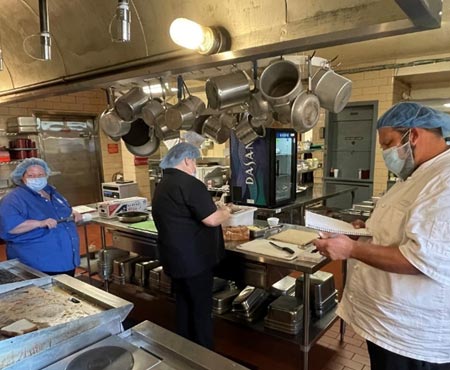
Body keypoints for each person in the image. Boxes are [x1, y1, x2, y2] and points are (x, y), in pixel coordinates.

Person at [313, 102, 450, 370]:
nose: (387, 153)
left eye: (388, 144)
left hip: (413, 337)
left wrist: (351, 250)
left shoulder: (444, 180)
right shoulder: (416, 174)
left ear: (414, 135)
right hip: (389, 324)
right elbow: (404, 226)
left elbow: (419, 259)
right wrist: (367, 228)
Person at [151, 142, 231, 349]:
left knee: (184, 305)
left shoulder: (163, 184)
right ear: (187, 160)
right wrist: (226, 211)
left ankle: (185, 351)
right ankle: (204, 355)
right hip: (195, 261)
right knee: (201, 310)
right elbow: (211, 220)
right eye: (194, 160)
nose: (194, 165)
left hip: (174, 259)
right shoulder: (190, 184)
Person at [0, 158, 82, 276]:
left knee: (65, 291)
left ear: (46, 175)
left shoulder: (51, 191)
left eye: (40, 174)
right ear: (22, 177)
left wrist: (72, 212)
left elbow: (61, 209)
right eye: (31, 175)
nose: (37, 178)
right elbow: (10, 227)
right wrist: (39, 223)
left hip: (66, 259)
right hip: (39, 263)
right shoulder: (14, 199)